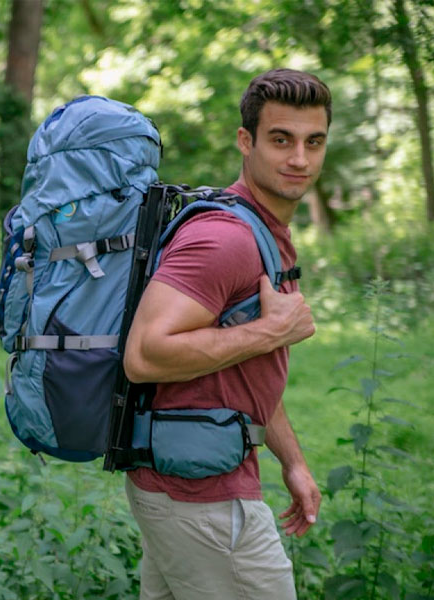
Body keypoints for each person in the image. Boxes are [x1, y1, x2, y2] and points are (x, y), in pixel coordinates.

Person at [122, 68, 331, 598]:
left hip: (187, 493)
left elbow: (244, 368)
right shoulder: (225, 239)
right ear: (247, 141)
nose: (299, 159)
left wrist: (293, 461)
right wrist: (269, 332)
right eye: (281, 140)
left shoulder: (265, 233)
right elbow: (144, 356)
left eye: (314, 142)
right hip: (202, 501)